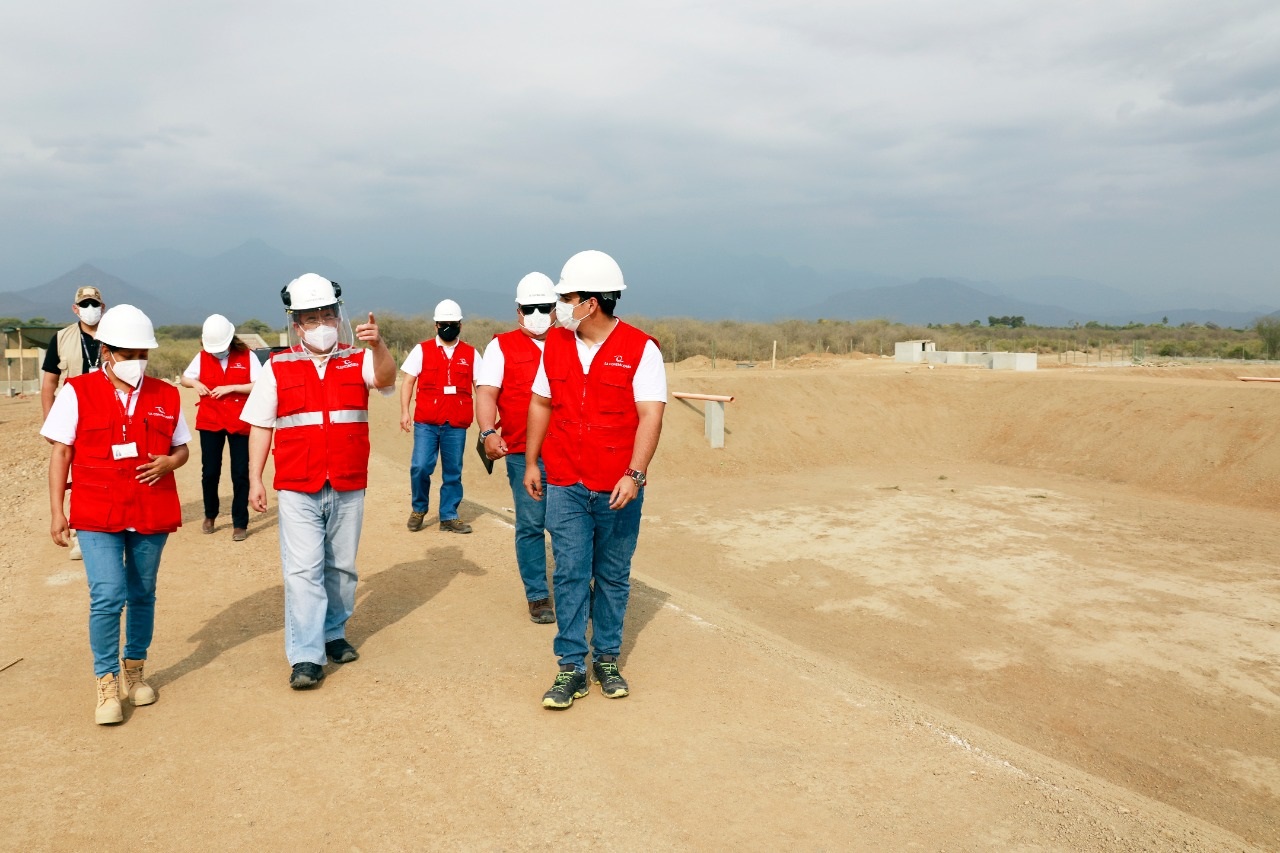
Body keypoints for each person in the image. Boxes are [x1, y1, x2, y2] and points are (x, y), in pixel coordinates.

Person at [523, 250, 667, 709]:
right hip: (565, 480)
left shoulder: (642, 349)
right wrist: (531, 462)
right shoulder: (557, 345)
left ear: (591, 302)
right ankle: (570, 667)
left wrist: (635, 473)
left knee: (611, 575)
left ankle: (606, 658)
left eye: (566, 297)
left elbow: (650, 415)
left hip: (617, 487)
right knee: (569, 573)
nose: (558, 307)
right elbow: (541, 404)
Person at [243, 273, 396, 689]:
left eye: (328, 315)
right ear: (297, 325)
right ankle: (306, 656)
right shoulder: (277, 367)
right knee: (304, 570)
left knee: (341, 568)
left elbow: (384, 380)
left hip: (347, 481)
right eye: (312, 318)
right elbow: (260, 426)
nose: (322, 323)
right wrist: (255, 478)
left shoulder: (358, 358)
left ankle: (334, 633)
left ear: (338, 315)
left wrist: (377, 345)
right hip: (297, 484)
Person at [41, 304, 191, 725]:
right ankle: (105, 681)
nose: (134, 362)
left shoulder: (166, 394)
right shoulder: (77, 392)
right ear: (105, 351)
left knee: (142, 592)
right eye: (125, 354)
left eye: (141, 353)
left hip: (150, 507)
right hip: (96, 509)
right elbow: (61, 452)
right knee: (108, 595)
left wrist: (170, 463)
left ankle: (135, 671)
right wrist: (58, 512)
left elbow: (182, 447)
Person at [475, 273, 558, 624]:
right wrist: (488, 431)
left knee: (572, 526)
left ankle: (576, 584)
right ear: (518, 310)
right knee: (531, 524)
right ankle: (538, 594)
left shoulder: (572, 341)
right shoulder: (501, 346)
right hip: (525, 453)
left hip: (570, 450)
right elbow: (486, 392)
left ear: (556, 309)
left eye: (545, 307)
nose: (538, 313)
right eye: (530, 308)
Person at [399, 299, 480, 535]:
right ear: (436, 325)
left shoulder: (471, 353)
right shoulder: (421, 350)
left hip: (456, 423)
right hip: (427, 421)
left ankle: (449, 515)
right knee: (421, 466)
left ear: (460, 325)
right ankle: (419, 509)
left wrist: (488, 420)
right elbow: (408, 382)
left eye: (453, 323)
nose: (448, 327)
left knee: (453, 470)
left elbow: (481, 386)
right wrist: (405, 411)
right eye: (444, 323)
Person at [41, 285, 107, 561]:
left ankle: (111, 526)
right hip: (74, 415)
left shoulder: (114, 335)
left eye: (95, 304)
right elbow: (49, 385)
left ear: (103, 307)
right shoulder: (61, 338)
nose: (90, 309)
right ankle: (82, 531)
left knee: (106, 469)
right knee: (77, 474)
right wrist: (49, 423)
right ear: (75, 308)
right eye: (85, 304)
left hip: (107, 412)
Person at [180, 315, 259, 541]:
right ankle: (210, 514)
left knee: (240, 472)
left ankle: (240, 522)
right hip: (211, 419)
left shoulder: (247, 356)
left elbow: (259, 384)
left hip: (239, 419)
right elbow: (186, 378)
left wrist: (231, 387)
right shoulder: (202, 356)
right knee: (211, 471)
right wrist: (195, 383)